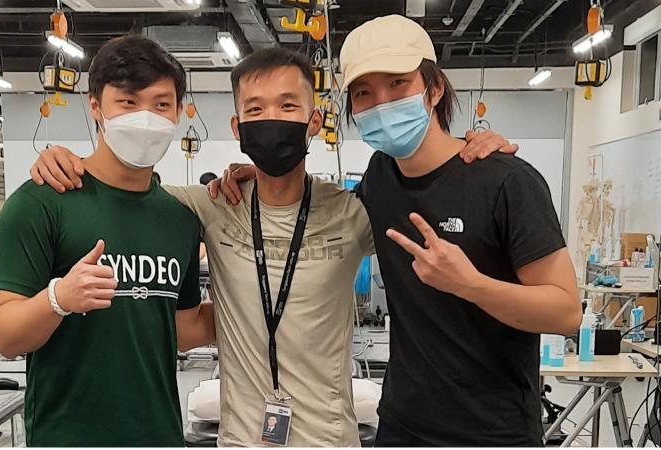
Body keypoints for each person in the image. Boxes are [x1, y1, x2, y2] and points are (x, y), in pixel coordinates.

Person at [30, 48, 515, 446]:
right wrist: (65, 160)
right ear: (237, 128)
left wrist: (469, 149)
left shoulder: (353, 211)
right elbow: (123, 190)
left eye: (288, 106)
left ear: (314, 121)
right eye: (256, 110)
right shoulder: (208, 205)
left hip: (330, 440)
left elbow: (428, 193)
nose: (272, 120)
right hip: (240, 440)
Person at [340, 15, 582, 446]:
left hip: (494, 432)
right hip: (401, 426)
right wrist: (259, 181)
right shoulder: (379, 177)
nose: (382, 103)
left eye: (398, 84)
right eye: (364, 93)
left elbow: (565, 313)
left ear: (434, 88)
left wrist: (470, 284)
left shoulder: (506, 181)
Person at [0, 35, 215, 447]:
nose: (145, 117)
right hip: (68, 438)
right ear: (95, 106)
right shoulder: (41, 203)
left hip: (159, 436)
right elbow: (4, 336)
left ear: (178, 112)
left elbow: (181, 328)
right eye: (128, 102)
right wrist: (58, 298)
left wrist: (264, 311)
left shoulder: (180, 217)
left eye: (161, 104)